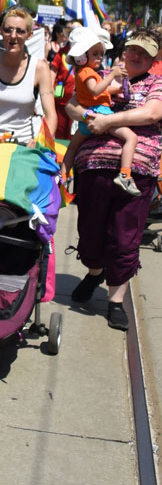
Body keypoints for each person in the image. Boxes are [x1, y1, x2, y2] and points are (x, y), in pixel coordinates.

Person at [66, 32, 162, 330]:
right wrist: (89, 113)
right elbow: (70, 104)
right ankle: (95, 272)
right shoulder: (103, 74)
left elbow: (152, 113)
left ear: (153, 60)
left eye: (144, 54)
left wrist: (108, 121)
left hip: (137, 172)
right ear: (123, 52)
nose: (136, 57)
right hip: (93, 165)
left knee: (124, 237)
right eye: (132, 50)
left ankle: (115, 301)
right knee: (91, 233)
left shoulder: (156, 84)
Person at [61, 28, 138, 194]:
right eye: (95, 54)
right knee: (131, 137)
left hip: (88, 116)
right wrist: (112, 75)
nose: (100, 57)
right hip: (101, 114)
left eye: (101, 54)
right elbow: (95, 91)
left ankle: (63, 176)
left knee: (73, 146)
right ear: (82, 57)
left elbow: (98, 92)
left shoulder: (83, 71)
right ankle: (125, 175)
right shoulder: (88, 72)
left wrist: (117, 90)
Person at [0, 6, 57, 144]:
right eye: (8, 30)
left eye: (20, 31)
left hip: (24, 146)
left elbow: (50, 114)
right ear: (1, 32)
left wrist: (41, 142)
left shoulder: (40, 68)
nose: (13, 35)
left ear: (29, 35)